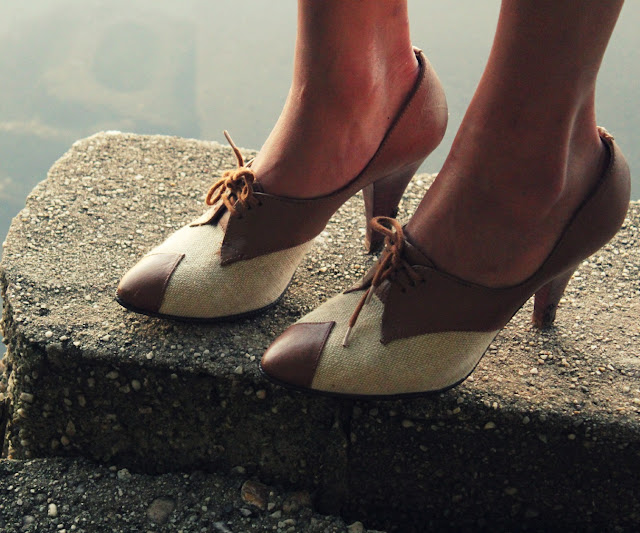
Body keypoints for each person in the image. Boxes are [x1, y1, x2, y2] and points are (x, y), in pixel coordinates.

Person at [116, 0, 630, 398]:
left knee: (531, 125)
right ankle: (359, 89)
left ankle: (530, 168)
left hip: (533, 177)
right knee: (349, 50)